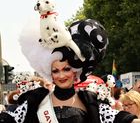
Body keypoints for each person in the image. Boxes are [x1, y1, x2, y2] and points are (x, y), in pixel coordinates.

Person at [0, 18, 139, 123]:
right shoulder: (36, 99)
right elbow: (11, 118)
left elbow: (119, 119)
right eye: (55, 71)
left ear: (75, 70)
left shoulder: (89, 100)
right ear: (50, 74)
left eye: (66, 69)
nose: (61, 75)